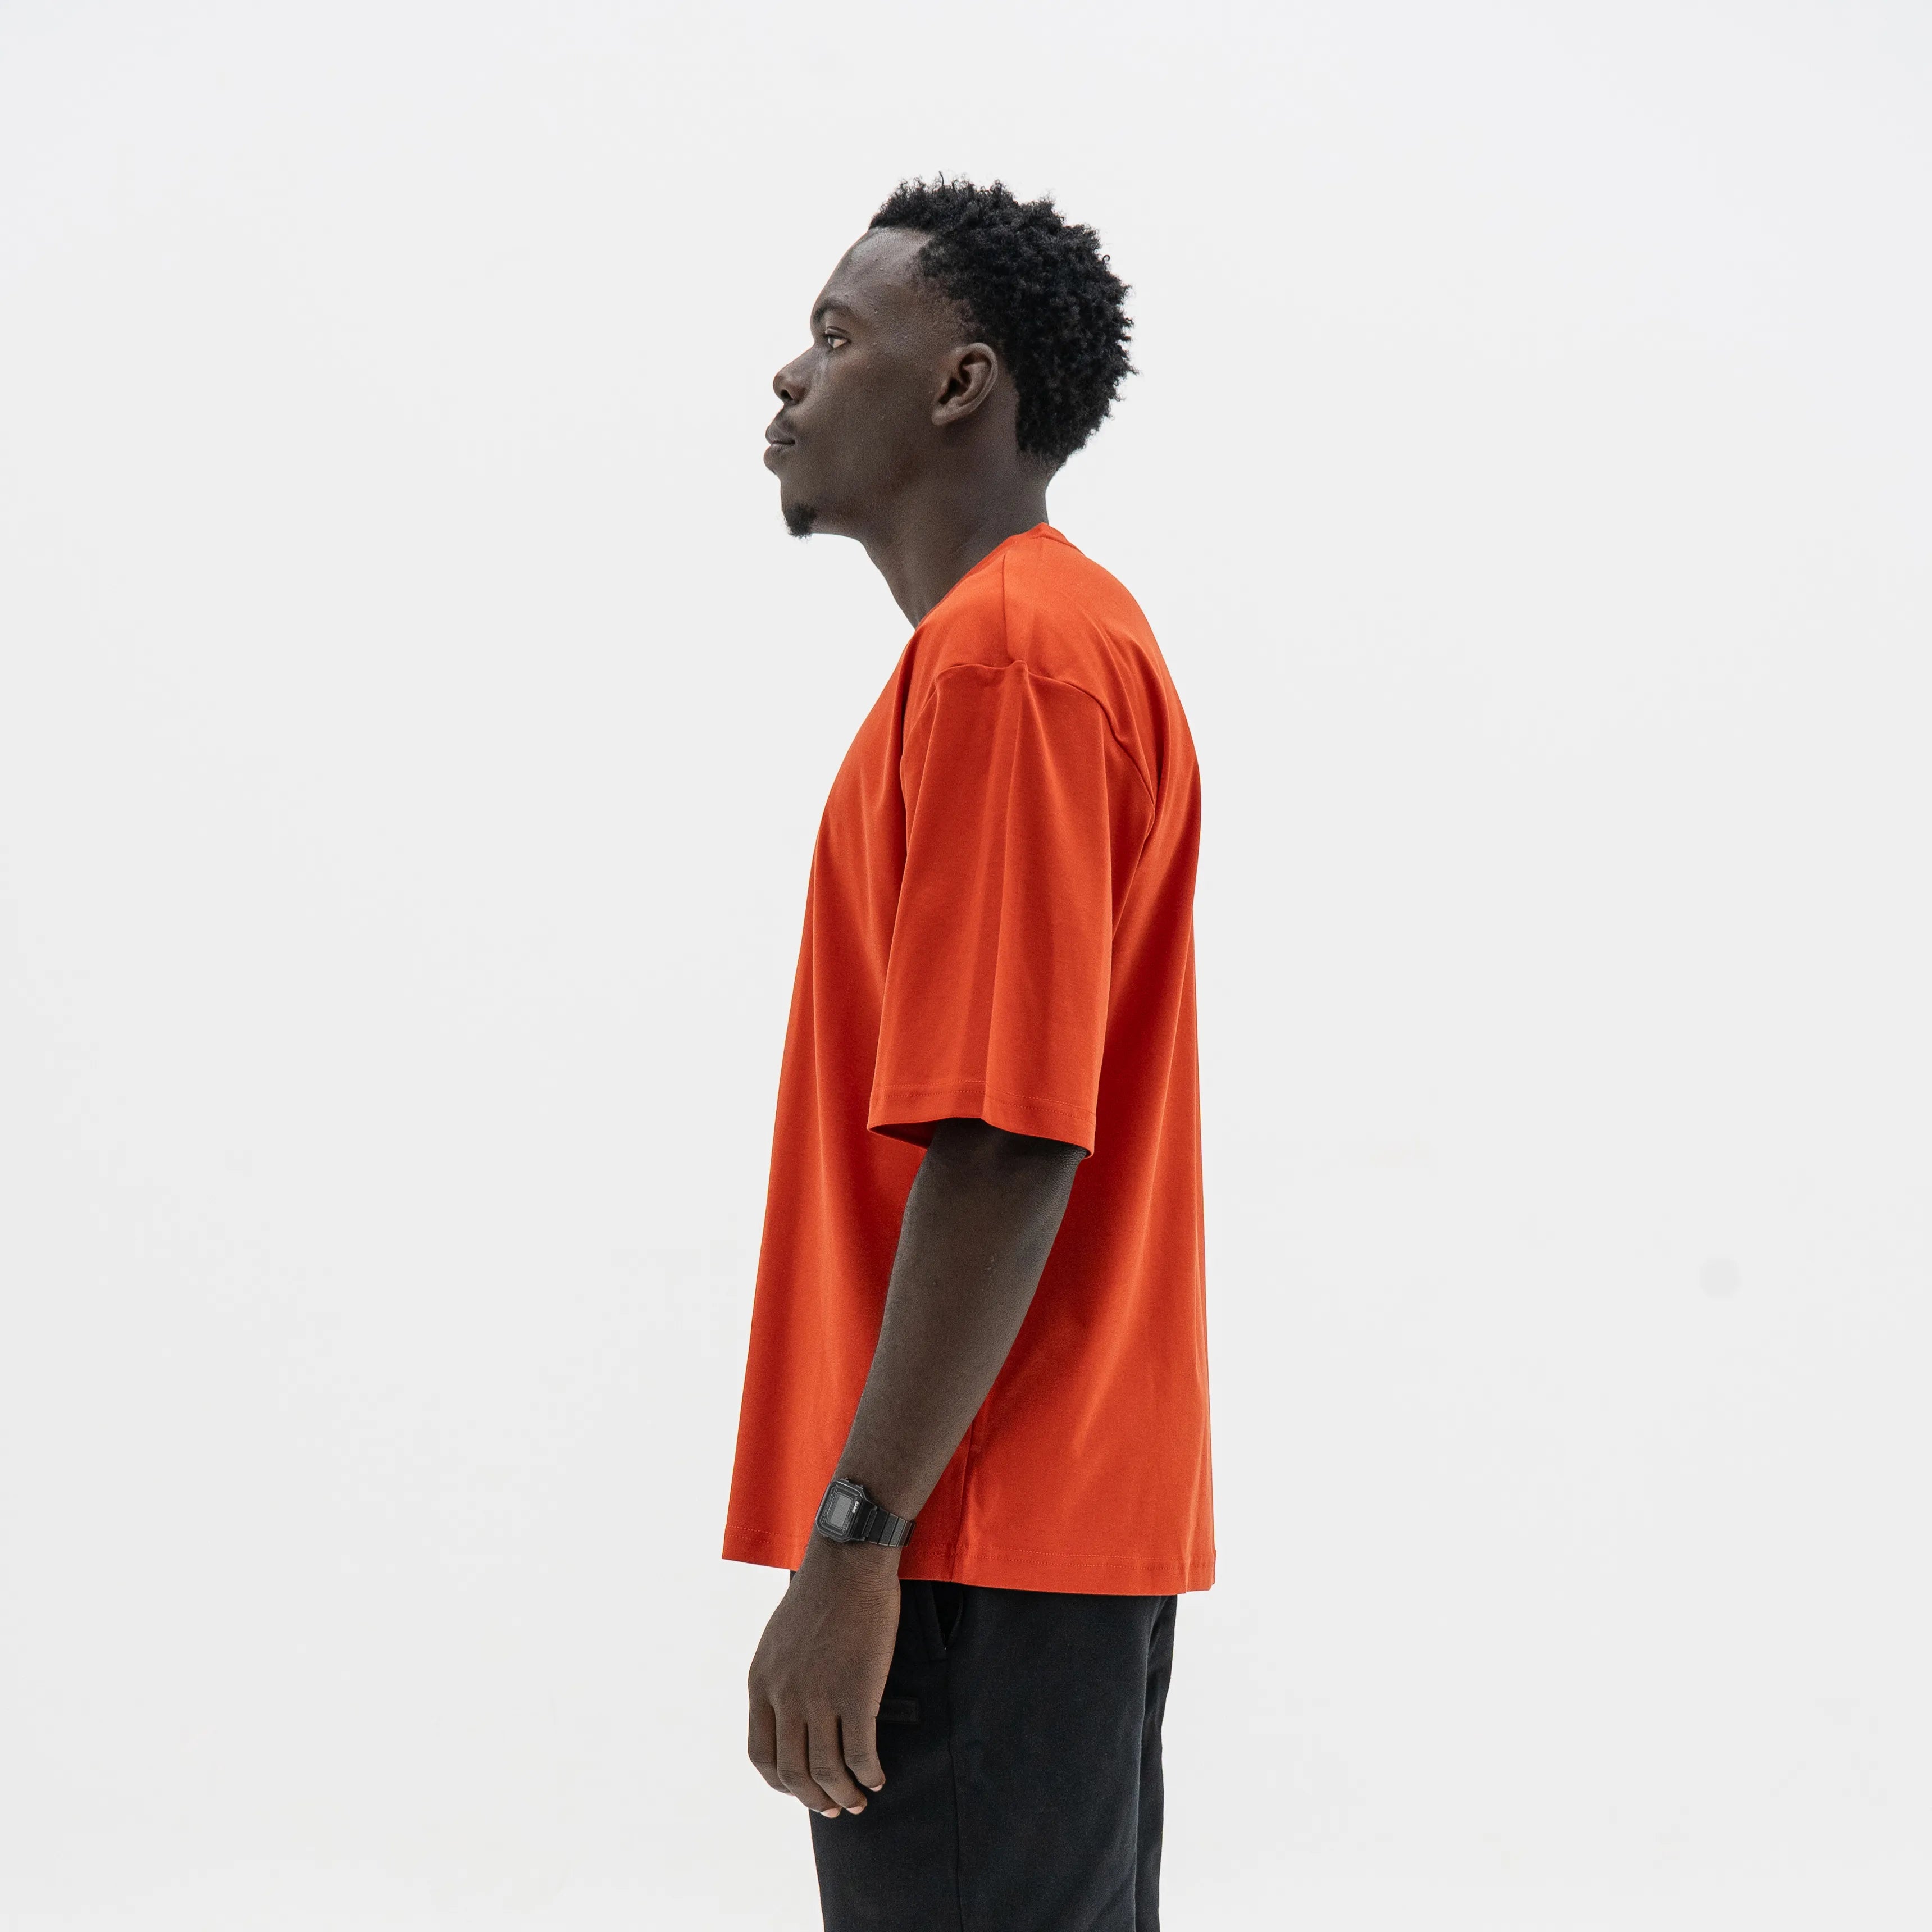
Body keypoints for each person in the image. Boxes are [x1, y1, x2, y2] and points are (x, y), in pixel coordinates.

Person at [724, 177, 1212, 1932]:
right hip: (1013, 1525)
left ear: (962, 387)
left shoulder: (1014, 665)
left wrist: (856, 1542)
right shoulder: (1033, 652)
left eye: (840, 335)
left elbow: (1007, 1140)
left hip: (967, 1537)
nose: (788, 377)